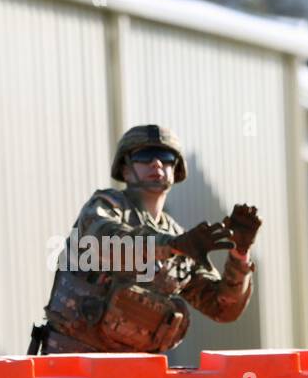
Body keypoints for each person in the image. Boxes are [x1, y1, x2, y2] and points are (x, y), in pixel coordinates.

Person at [32, 124, 261, 355]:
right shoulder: (107, 205)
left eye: (166, 157)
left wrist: (239, 255)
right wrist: (172, 246)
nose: (156, 164)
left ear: (176, 169)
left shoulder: (178, 237)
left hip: (136, 372)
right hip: (73, 362)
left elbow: (222, 308)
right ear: (126, 169)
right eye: (144, 156)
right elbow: (106, 241)